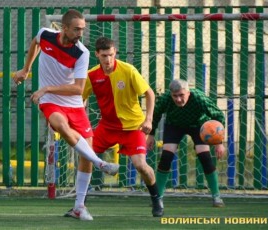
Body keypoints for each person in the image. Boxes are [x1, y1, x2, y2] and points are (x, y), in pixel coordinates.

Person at [13, 9, 119, 220]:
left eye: (83, 29)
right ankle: (100, 163)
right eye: (77, 29)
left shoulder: (83, 53)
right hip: (51, 102)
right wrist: (26, 69)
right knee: (61, 125)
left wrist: (46, 88)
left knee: (85, 154)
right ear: (64, 28)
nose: (81, 33)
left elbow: (78, 89)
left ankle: (79, 206)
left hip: (73, 103)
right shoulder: (45, 34)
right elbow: (35, 43)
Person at [64, 36, 164, 220]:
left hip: (133, 127)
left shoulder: (128, 70)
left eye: (110, 55)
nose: (108, 59)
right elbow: (79, 98)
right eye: (104, 56)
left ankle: (157, 199)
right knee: (85, 155)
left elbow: (149, 93)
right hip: (107, 127)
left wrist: (148, 119)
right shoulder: (92, 75)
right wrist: (77, 117)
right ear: (97, 55)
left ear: (115, 53)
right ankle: (79, 205)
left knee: (140, 165)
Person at [146, 79, 226, 208]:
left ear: (188, 92)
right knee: (166, 156)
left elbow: (218, 116)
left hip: (199, 126)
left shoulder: (198, 97)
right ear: (170, 94)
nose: (178, 99)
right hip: (174, 125)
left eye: (181, 95)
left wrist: (219, 142)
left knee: (204, 156)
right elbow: (155, 114)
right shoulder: (166, 98)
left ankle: (216, 196)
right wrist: (150, 135)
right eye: (175, 96)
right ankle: (158, 197)